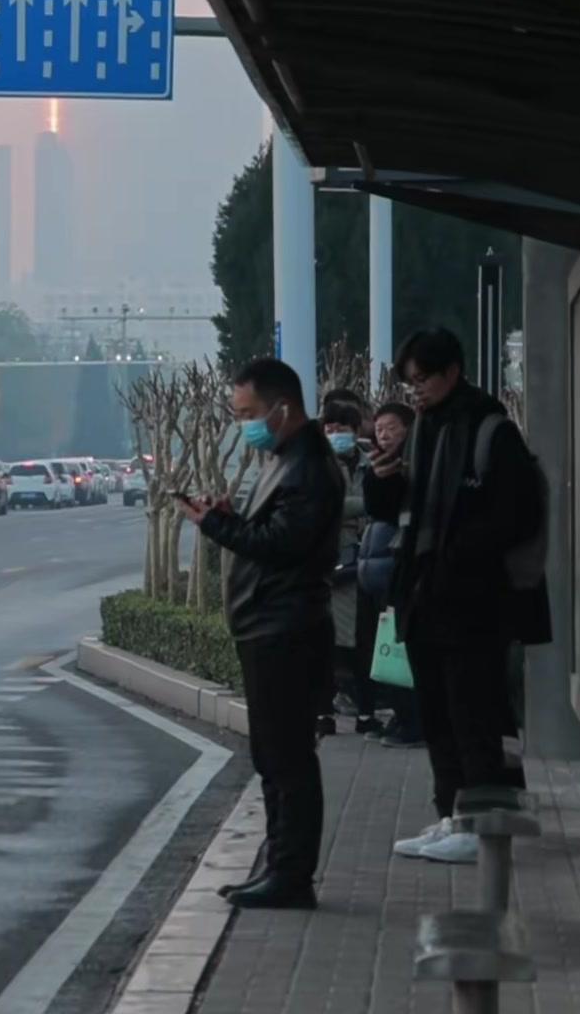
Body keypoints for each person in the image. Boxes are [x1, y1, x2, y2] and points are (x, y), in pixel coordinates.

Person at [364, 329, 550, 864]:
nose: (415, 391)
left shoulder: (489, 428)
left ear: (452, 372)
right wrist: (383, 478)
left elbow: (514, 514)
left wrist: (456, 559)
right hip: (426, 597)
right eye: (410, 382)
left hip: (474, 602)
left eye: (423, 379)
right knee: (439, 716)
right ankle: (451, 814)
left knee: (476, 717)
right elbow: (397, 509)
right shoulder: (425, 429)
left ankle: (483, 825)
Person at [178, 358, 344, 910]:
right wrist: (231, 515)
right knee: (272, 757)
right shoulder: (282, 459)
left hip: (286, 628)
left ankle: (292, 875)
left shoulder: (310, 467)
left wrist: (215, 525)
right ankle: (278, 864)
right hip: (266, 624)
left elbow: (283, 546)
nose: (243, 424)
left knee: (289, 758)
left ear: (283, 408)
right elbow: (269, 531)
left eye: (248, 413)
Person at [357, 401, 424, 747]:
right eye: (379, 429)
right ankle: (401, 715)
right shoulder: (378, 467)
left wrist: (394, 477)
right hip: (380, 568)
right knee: (385, 646)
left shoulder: (419, 463)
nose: (384, 434)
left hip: (404, 568)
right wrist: (378, 477)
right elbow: (376, 510)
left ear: (409, 429)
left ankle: (414, 720)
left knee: (405, 646)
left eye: (392, 428)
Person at [317, 397, 381, 737]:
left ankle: (367, 713)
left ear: (356, 431)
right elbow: (324, 505)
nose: (335, 433)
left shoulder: (371, 464)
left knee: (364, 643)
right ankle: (324, 713)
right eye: (329, 428)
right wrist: (367, 503)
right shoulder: (318, 464)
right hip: (331, 564)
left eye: (341, 427)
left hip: (366, 561)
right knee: (327, 645)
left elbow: (387, 501)